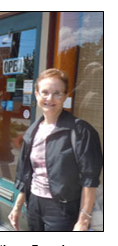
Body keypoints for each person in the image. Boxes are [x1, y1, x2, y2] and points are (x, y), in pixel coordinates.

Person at [8, 68, 103, 231]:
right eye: (44, 92)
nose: (49, 99)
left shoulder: (80, 131)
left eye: (57, 93)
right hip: (34, 204)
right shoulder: (33, 130)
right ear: (36, 94)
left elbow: (90, 179)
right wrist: (17, 206)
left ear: (65, 96)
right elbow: (28, 173)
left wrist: (83, 220)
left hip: (63, 209)